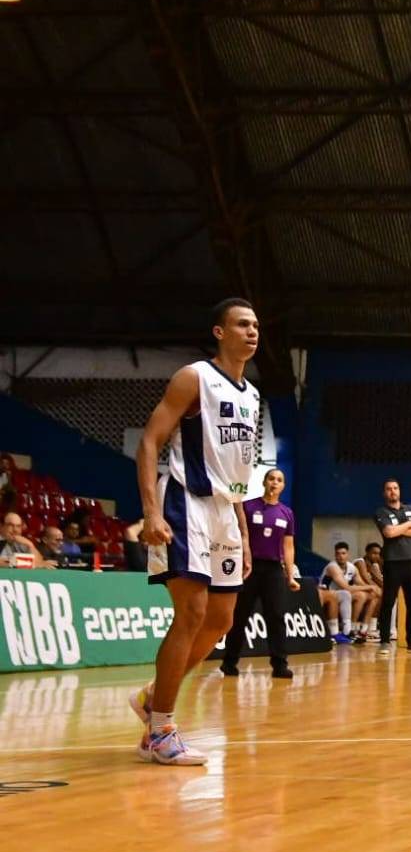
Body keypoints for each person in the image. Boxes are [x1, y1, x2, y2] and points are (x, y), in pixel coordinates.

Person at [128, 298, 261, 766]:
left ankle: (152, 697)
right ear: (220, 332)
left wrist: (242, 530)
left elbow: (239, 471)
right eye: (242, 324)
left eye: (256, 325)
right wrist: (150, 512)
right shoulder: (194, 377)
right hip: (184, 500)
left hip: (226, 511)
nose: (252, 331)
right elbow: (149, 441)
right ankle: (159, 730)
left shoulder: (252, 395)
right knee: (191, 612)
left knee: (221, 621)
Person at [221, 467, 298, 677]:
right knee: (240, 616)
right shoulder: (247, 507)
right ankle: (229, 662)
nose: (274, 482)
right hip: (248, 568)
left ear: (283, 486)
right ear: (265, 482)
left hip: (274, 570)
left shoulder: (287, 513)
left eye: (279, 480)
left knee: (276, 616)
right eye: (271, 478)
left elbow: (288, 546)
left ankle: (280, 665)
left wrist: (290, 575)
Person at [374, 478, 411, 654]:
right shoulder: (381, 511)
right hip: (392, 562)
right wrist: (409, 525)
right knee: (388, 602)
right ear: (384, 493)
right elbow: (388, 533)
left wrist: (400, 530)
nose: (393, 491)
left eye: (395, 488)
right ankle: (385, 641)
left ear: (399, 491)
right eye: (389, 489)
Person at [318, 542, 364, 644]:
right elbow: (346, 587)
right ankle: (344, 631)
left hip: (339, 594)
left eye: (343, 553)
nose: (341, 556)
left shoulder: (352, 567)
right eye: (338, 554)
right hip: (326, 594)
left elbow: (361, 583)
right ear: (335, 555)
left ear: (348, 554)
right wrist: (371, 587)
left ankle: (355, 629)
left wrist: (372, 589)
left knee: (362, 595)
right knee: (346, 593)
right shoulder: (332, 566)